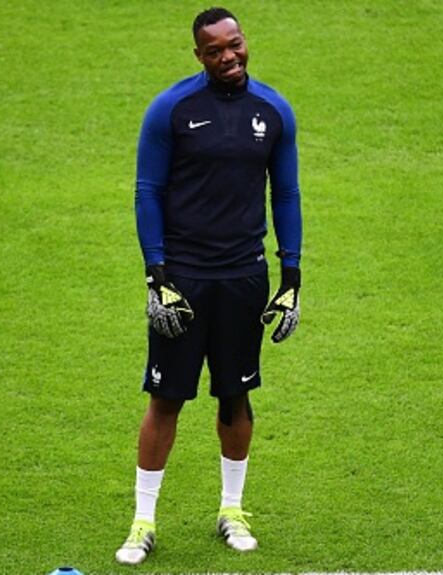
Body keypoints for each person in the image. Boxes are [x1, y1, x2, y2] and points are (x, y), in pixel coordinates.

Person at [115, 6, 303, 566]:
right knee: (165, 398)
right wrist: (157, 276)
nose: (229, 57)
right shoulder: (171, 110)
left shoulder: (273, 111)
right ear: (199, 55)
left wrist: (291, 276)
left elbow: (286, 194)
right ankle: (142, 521)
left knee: (235, 395)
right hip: (185, 278)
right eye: (215, 50)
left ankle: (232, 510)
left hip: (244, 277)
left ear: (245, 42)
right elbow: (147, 191)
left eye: (234, 44)